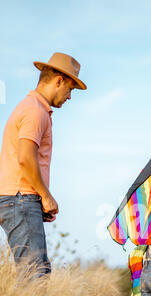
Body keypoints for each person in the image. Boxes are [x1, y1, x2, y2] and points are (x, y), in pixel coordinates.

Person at [0, 52, 87, 279]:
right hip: (20, 198)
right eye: (69, 89)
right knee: (34, 276)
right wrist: (45, 196)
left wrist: (40, 199)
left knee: (38, 272)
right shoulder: (34, 111)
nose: (69, 97)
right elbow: (25, 158)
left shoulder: (31, 108)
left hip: (20, 198)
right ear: (58, 80)